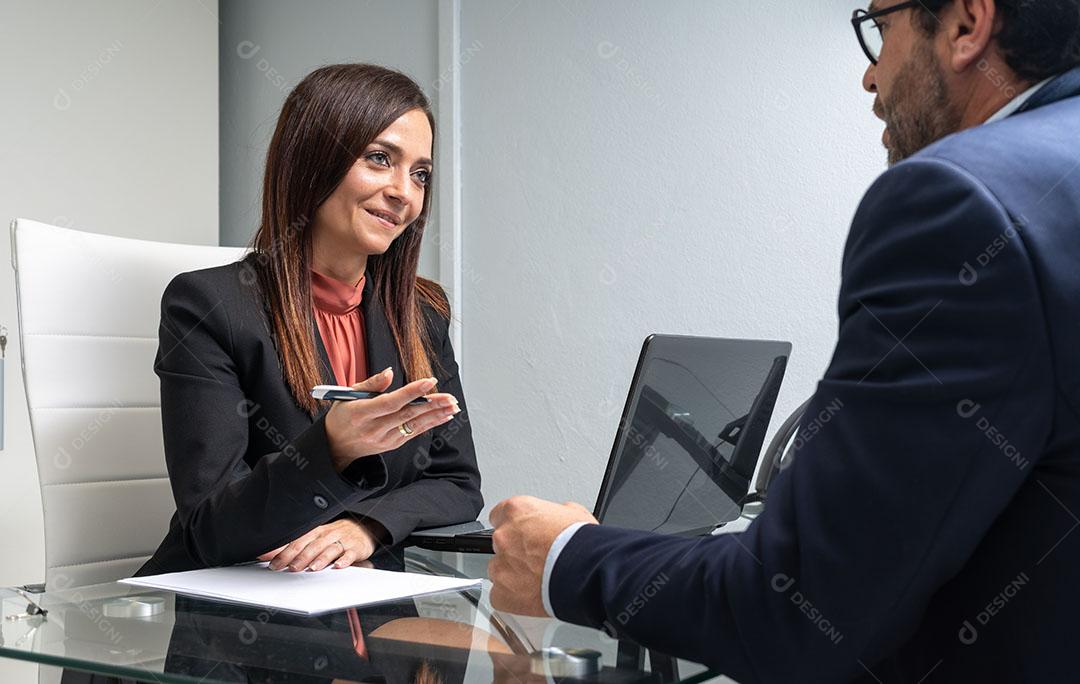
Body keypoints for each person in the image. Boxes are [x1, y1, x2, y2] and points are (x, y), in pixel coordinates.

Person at [488, 1, 1080, 681]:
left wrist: (566, 558)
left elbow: (797, 611)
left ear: (967, 24)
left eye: (880, 31)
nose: (870, 77)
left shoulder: (964, 199)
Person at [138, 63, 482, 576]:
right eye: (380, 158)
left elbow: (458, 484)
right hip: (230, 617)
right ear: (311, 160)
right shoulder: (208, 305)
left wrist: (366, 526)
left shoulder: (422, 314)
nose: (404, 192)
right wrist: (332, 448)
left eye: (420, 174)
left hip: (362, 604)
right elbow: (210, 530)